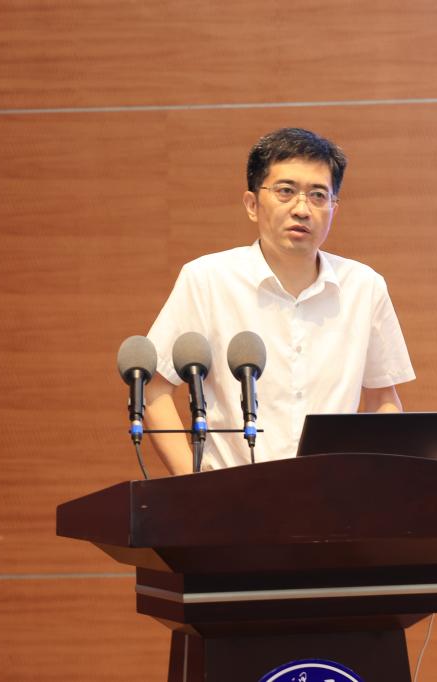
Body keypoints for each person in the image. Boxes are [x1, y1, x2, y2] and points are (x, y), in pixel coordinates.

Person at [144, 127, 414, 474]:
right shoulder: (207, 279)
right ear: (252, 204)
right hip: (233, 496)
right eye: (286, 191)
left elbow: (382, 400)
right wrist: (193, 486)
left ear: (334, 208)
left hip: (332, 495)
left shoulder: (364, 287)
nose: (302, 209)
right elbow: (154, 389)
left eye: (318, 195)